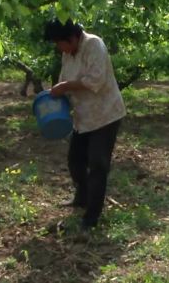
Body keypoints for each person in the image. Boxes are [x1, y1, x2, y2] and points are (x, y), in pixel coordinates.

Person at [44, 18, 126, 230]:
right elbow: (65, 82)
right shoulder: (67, 53)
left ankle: (92, 217)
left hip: (105, 114)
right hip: (84, 115)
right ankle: (81, 197)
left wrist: (66, 86)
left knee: (98, 164)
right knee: (75, 161)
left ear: (71, 38)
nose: (57, 47)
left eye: (58, 42)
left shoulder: (94, 45)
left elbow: (95, 80)